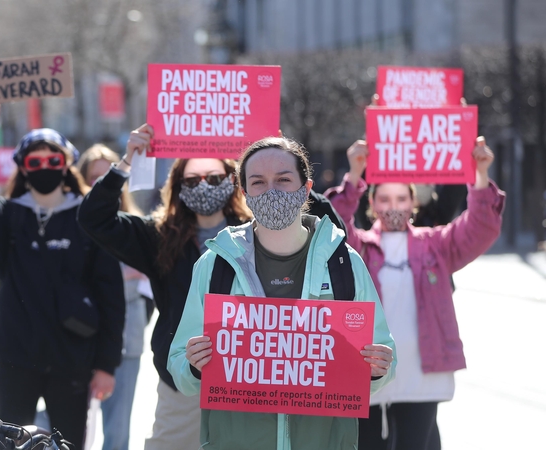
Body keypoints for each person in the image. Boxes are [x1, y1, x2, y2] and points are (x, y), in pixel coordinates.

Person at [167, 135, 396, 450]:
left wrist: (376, 369)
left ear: (306, 187)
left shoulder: (343, 263)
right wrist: (194, 364)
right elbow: (180, 367)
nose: (271, 190)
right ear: (244, 191)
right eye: (258, 182)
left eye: (283, 179)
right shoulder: (216, 265)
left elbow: (381, 358)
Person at [0, 91, 124, 447]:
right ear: (22, 168)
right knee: (9, 444)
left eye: (53, 160)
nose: (44, 168)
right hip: (17, 356)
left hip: (73, 358)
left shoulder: (89, 219)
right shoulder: (7, 216)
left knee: (68, 445)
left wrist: (106, 365)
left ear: (67, 164)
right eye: (34, 163)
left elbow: (110, 295)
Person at [77, 124, 252, 450]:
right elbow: (93, 218)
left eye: (214, 178)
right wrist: (127, 161)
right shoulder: (159, 236)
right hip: (183, 380)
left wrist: (278, 163)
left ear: (233, 181)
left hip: (246, 376)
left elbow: (320, 227)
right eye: (192, 180)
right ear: (178, 186)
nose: (204, 186)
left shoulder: (257, 235)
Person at [324, 137, 504, 450]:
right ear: (372, 204)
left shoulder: (436, 244)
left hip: (422, 376)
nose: (393, 207)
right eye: (384, 199)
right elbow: (330, 227)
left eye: (400, 199)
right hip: (368, 374)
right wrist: (354, 175)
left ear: (413, 203)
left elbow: (480, 226)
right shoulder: (359, 247)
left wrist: (480, 173)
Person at [78, 144, 150, 450]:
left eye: (111, 175)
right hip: (80, 334)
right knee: (72, 427)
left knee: (117, 430)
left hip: (127, 336)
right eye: (95, 177)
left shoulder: (137, 224)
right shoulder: (74, 224)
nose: (103, 183)